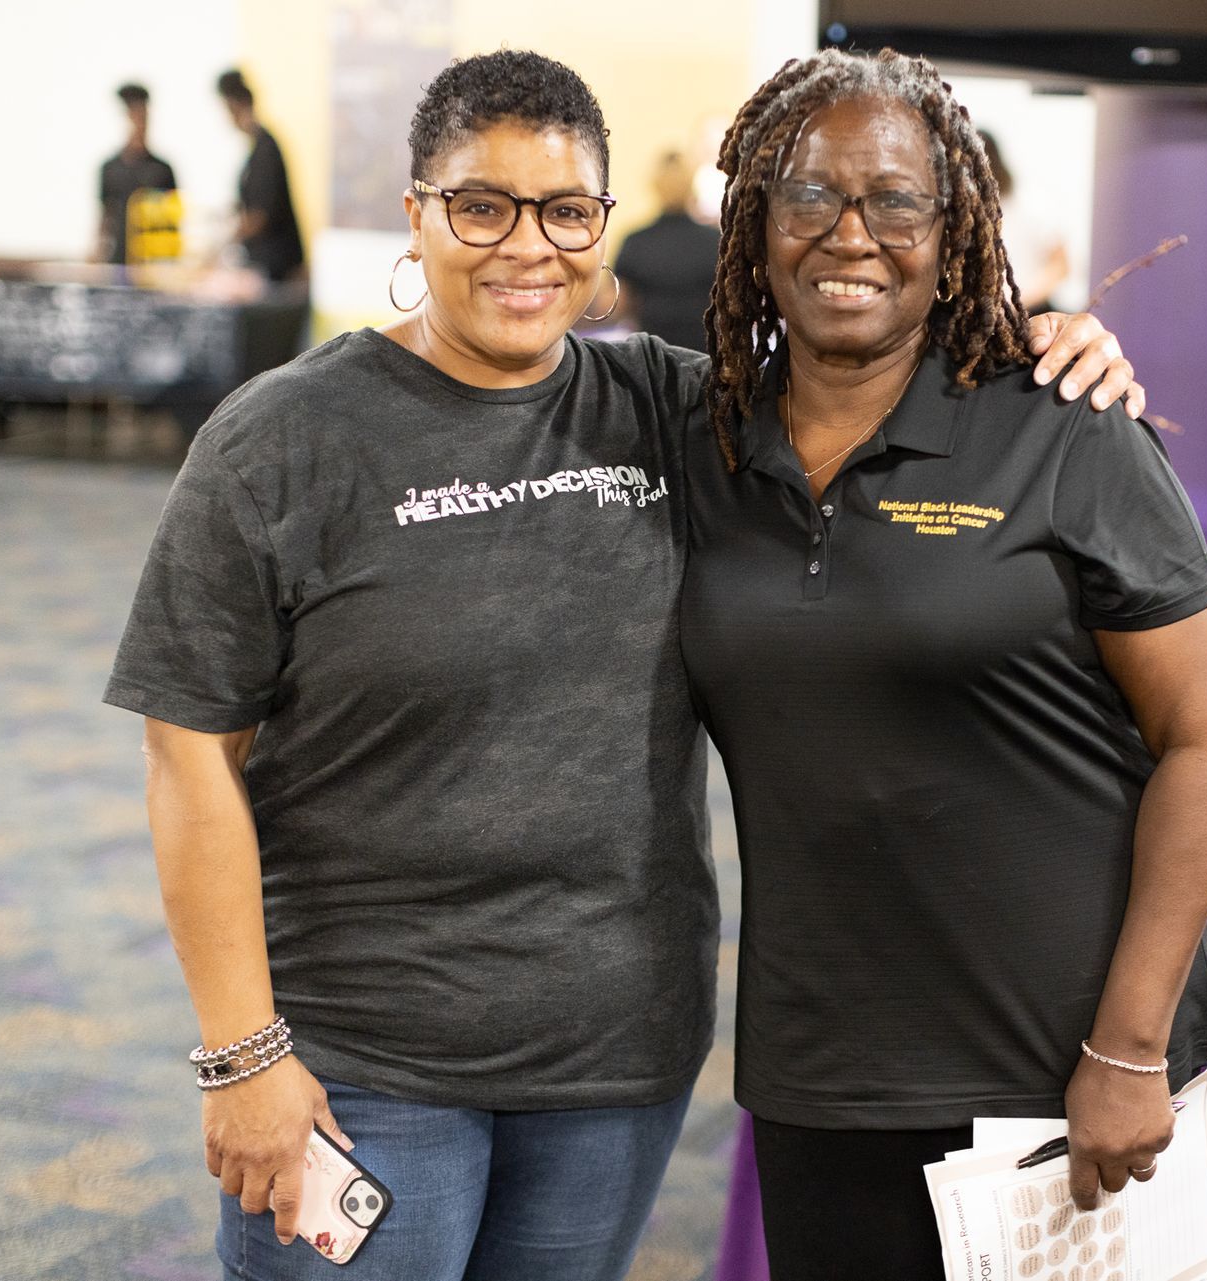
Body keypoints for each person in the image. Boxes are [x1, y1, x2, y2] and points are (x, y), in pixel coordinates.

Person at [105, 48, 1138, 1281]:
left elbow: (869, 368)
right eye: (480, 206)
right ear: (418, 213)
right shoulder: (282, 441)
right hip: (367, 1067)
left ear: (603, 224)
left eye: (564, 212)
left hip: (614, 1066)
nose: (524, 248)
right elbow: (187, 760)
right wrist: (244, 1055)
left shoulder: (669, 407)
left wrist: (1033, 343)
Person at [682, 49, 1207, 1280]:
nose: (852, 234)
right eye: (809, 195)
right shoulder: (702, 437)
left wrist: (1129, 1047)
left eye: (896, 200)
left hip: (1056, 1073)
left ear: (955, 232)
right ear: (755, 219)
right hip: (822, 1068)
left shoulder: (1066, 426)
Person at [614, 149, 719, 349]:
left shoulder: (636, 242)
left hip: (651, 360)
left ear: (655, 186)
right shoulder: (716, 242)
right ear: (691, 186)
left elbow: (618, 306)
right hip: (705, 357)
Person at [217, 68, 305, 282]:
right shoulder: (257, 149)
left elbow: (259, 217)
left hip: (276, 267)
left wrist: (222, 242)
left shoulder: (265, 150)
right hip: (268, 262)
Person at [979, 127, 1069, 312]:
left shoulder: (1031, 207)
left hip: (1029, 312)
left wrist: (1020, 299)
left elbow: (1060, 265)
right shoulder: (959, 215)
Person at [96, 83, 177, 267]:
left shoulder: (162, 169)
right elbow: (105, 216)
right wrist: (97, 254)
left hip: (153, 263)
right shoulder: (110, 168)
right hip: (118, 260)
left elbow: (172, 221)